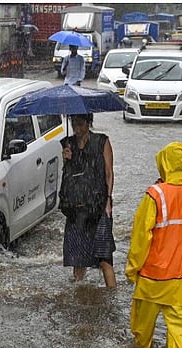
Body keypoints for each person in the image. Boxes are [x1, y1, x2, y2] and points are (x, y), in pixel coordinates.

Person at [125, 142, 182, 348]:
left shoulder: (155, 194)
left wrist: (132, 269)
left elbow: (141, 237)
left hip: (154, 277)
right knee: (180, 335)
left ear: (163, 162)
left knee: (141, 334)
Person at [59, 113, 115, 288]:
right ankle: (79, 295)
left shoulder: (102, 141)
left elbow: (109, 172)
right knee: (78, 260)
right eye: (74, 124)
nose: (77, 129)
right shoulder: (68, 143)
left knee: (104, 258)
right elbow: (69, 177)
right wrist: (66, 159)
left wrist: (108, 200)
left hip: (98, 207)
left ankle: (112, 298)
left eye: (80, 124)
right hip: (76, 209)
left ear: (89, 123)